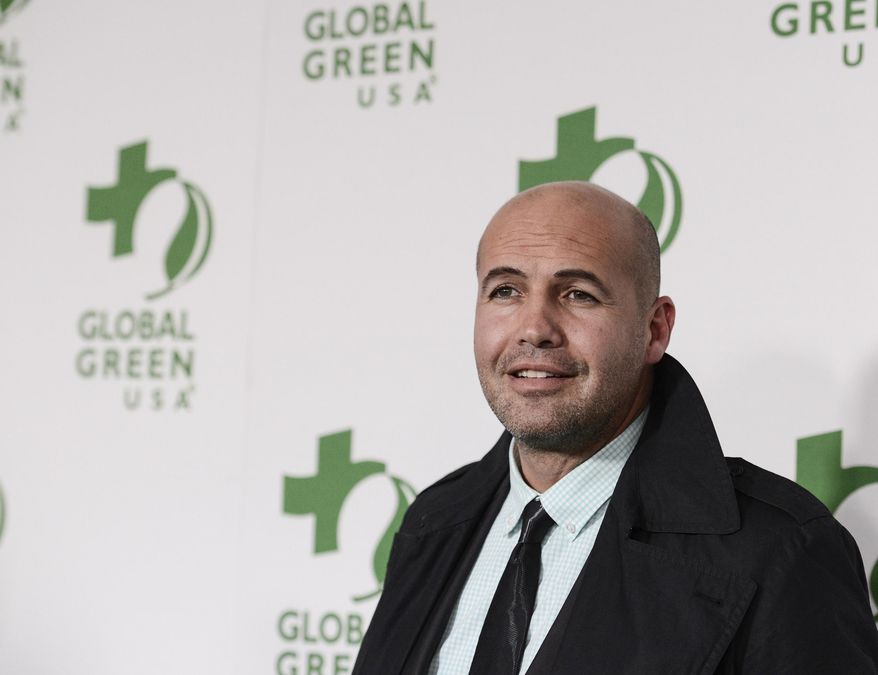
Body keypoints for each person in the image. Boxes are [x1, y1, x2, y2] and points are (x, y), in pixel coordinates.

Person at [353, 182, 878, 674]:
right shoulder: (433, 520)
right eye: (506, 291)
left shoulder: (783, 551)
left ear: (654, 330)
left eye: (578, 293)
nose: (534, 328)